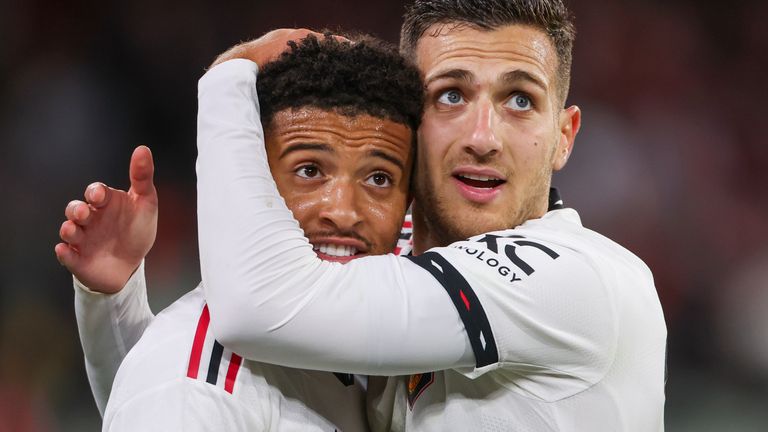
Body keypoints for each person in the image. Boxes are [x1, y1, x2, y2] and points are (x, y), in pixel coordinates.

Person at [195, 1, 667, 431]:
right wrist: (123, 305)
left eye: (520, 100)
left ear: (564, 135)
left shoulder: (578, 278)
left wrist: (229, 78)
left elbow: (256, 309)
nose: (483, 138)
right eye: (451, 96)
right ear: (406, 121)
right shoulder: (388, 250)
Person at [56, 32, 423, 430]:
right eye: (310, 171)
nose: (344, 211)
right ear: (251, 180)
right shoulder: (191, 389)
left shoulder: (390, 309)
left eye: (379, 178)